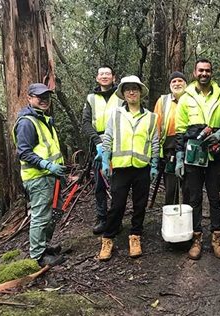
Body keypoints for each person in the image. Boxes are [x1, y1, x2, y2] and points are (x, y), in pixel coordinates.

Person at [174, 58, 220, 260]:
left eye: (208, 70)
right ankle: (197, 238)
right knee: (194, 198)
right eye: (201, 70)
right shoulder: (186, 97)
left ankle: (216, 238)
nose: (204, 73)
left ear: (212, 73)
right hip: (193, 155)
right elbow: (181, 130)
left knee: (215, 197)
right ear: (194, 72)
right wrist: (180, 155)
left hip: (215, 154)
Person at [98, 75, 159, 261]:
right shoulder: (116, 114)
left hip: (142, 168)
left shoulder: (151, 117)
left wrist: (155, 164)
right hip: (121, 168)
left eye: (135, 88)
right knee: (117, 205)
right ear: (123, 94)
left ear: (141, 92)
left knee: (140, 205)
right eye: (127, 89)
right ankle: (108, 239)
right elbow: (108, 138)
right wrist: (105, 160)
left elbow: (154, 142)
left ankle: (135, 237)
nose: (131, 92)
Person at [13, 83, 66, 267]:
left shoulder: (42, 118)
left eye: (46, 96)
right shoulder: (27, 122)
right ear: (29, 98)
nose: (44, 100)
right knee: (41, 216)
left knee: (54, 213)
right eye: (39, 96)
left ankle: (43, 247)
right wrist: (46, 165)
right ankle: (38, 256)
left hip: (51, 176)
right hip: (38, 177)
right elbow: (24, 152)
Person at [81, 65, 123, 235]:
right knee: (99, 183)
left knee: (117, 184)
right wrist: (98, 142)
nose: (105, 76)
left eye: (108, 74)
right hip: (97, 144)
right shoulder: (91, 98)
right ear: (97, 78)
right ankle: (101, 217)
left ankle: (116, 219)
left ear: (113, 78)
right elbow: (85, 122)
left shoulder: (121, 96)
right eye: (101, 74)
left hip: (118, 143)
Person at [154, 71, 189, 205]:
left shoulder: (192, 99)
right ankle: (171, 218)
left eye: (180, 81)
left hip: (188, 146)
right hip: (168, 149)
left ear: (185, 84)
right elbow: (156, 126)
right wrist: (156, 153)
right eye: (174, 81)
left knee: (188, 188)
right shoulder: (162, 101)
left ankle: (187, 218)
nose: (177, 84)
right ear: (169, 85)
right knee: (171, 188)